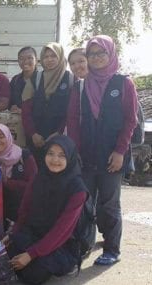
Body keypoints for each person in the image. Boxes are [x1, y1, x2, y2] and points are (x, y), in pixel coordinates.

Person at [66, 35, 138, 266]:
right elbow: (73, 121)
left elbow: (130, 121)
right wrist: (75, 152)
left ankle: (112, 248)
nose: (96, 58)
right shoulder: (80, 85)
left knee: (108, 203)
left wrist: (119, 152)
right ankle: (85, 243)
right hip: (86, 154)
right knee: (85, 201)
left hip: (112, 155)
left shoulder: (123, 83)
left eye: (101, 53)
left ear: (110, 54)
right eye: (92, 54)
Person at [5, 135, 86, 285]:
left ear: (70, 157)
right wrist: (12, 234)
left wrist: (31, 254)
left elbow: (61, 231)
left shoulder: (77, 190)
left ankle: (65, 265)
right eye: (51, 154)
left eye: (62, 155)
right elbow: (24, 212)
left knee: (33, 274)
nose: (55, 160)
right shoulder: (38, 178)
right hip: (33, 234)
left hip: (61, 244)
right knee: (6, 255)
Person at [0, 123, 37, 229]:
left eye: (1, 137)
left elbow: (34, 186)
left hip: (21, 215)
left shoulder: (24, 155)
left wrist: (6, 182)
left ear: (8, 137)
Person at [21, 42, 72, 160]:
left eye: (53, 56)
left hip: (60, 140)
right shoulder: (35, 79)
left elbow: (71, 112)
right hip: (35, 139)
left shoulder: (70, 79)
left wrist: (58, 133)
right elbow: (26, 110)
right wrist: (33, 134)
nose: (49, 60)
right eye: (46, 56)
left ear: (60, 57)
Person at [10, 46, 38, 111]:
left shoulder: (42, 80)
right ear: (18, 61)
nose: (25, 61)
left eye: (29, 58)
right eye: (21, 58)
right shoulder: (15, 80)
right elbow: (9, 100)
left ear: (36, 60)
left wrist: (25, 111)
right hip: (17, 118)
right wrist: (12, 107)